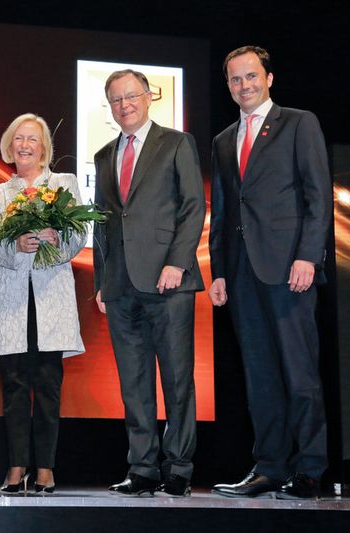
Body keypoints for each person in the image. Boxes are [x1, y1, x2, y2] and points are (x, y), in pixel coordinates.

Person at [208, 46, 332, 500]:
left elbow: (318, 197)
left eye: (251, 76)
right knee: (259, 378)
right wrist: (219, 271)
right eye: (235, 79)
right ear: (228, 86)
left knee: (300, 375)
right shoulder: (223, 140)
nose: (244, 85)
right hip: (241, 276)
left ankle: (311, 468)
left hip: (288, 269)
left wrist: (308, 256)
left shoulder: (300, 123)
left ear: (269, 78)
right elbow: (223, 212)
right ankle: (269, 467)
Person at [93, 70, 205, 497]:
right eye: (116, 99)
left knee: (178, 379)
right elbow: (103, 223)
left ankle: (178, 467)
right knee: (133, 382)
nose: (125, 105)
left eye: (131, 96)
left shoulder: (176, 142)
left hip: (168, 280)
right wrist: (103, 281)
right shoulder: (104, 155)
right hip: (121, 285)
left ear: (148, 97)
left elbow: (193, 206)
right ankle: (141, 468)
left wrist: (177, 262)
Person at [0, 114, 85, 495]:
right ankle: (15, 466)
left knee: (48, 386)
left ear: (44, 148)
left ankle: (45, 469)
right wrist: (15, 245)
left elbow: (79, 237)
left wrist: (56, 239)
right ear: (10, 146)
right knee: (14, 386)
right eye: (19, 138)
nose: (25, 145)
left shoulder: (63, 184)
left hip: (50, 299)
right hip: (11, 302)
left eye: (33, 139)